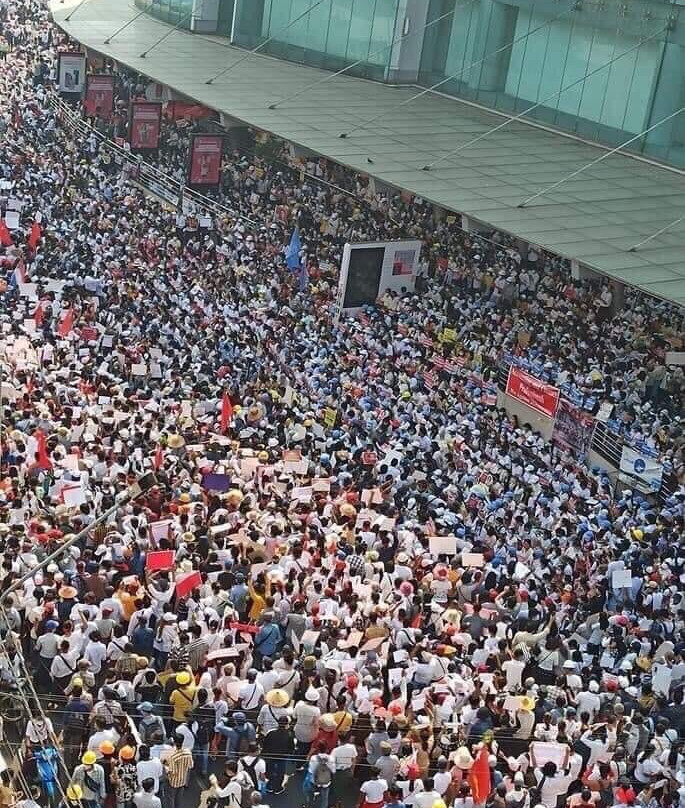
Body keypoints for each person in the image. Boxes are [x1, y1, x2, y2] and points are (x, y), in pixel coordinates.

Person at [163, 734, 193, 808]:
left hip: (173, 782)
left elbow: (172, 771)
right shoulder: (188, 752)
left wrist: (165, 766)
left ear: (175, 742)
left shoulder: (172, 755)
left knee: (170, 799)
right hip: (182, 780)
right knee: (178, 799)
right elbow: (191, 765)